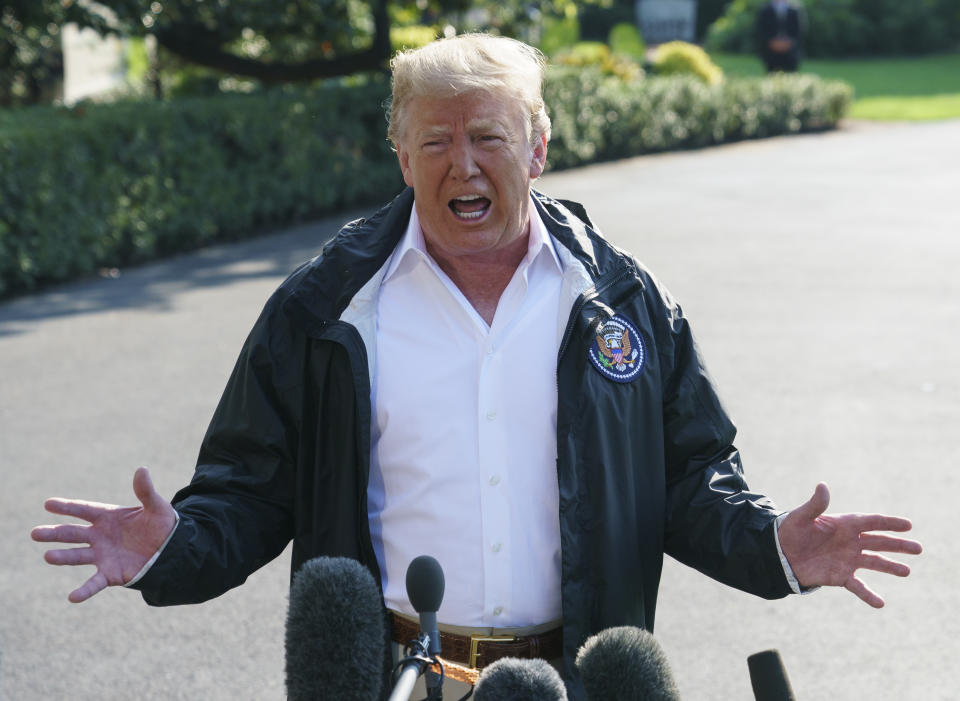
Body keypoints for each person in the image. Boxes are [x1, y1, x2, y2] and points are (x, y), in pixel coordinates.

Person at [32, 34, 921, 700]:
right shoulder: (326, 307)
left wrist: (775, 545)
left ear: (537, 147)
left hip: (572, 675)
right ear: (402, 153)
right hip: (395, 677)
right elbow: (251, 487)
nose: (463, 164)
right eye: (435, 141)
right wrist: (175, 548)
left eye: (488, 138)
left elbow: (689, 477)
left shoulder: (619, 298)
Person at [756, 0, 804, 73]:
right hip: (770, 52)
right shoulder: (765, 9)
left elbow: (799, 31)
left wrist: (788, 43)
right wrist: (772, 43)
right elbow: (761, 29)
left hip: (790, 51)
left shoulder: (795, 9)